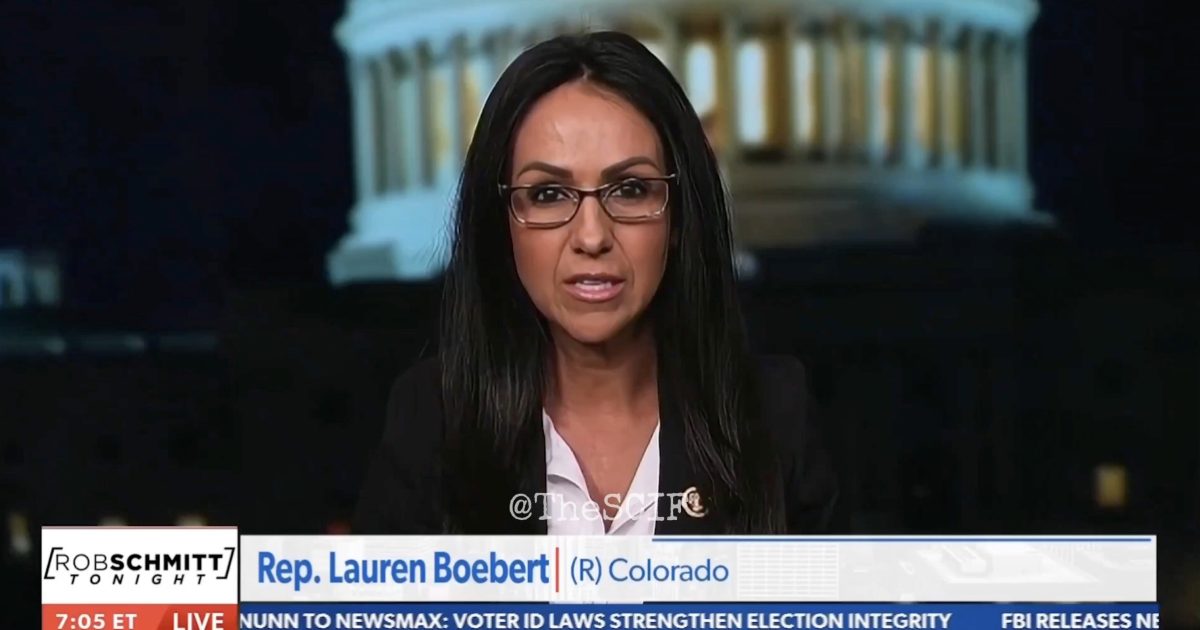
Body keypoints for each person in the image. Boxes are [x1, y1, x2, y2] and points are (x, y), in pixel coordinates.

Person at [354, 31, 838, 535]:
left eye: (630, 189)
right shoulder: (432, 421)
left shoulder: (775, 417)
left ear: (679, 217)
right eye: (548, 194)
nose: (591, 237)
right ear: (502, 223)